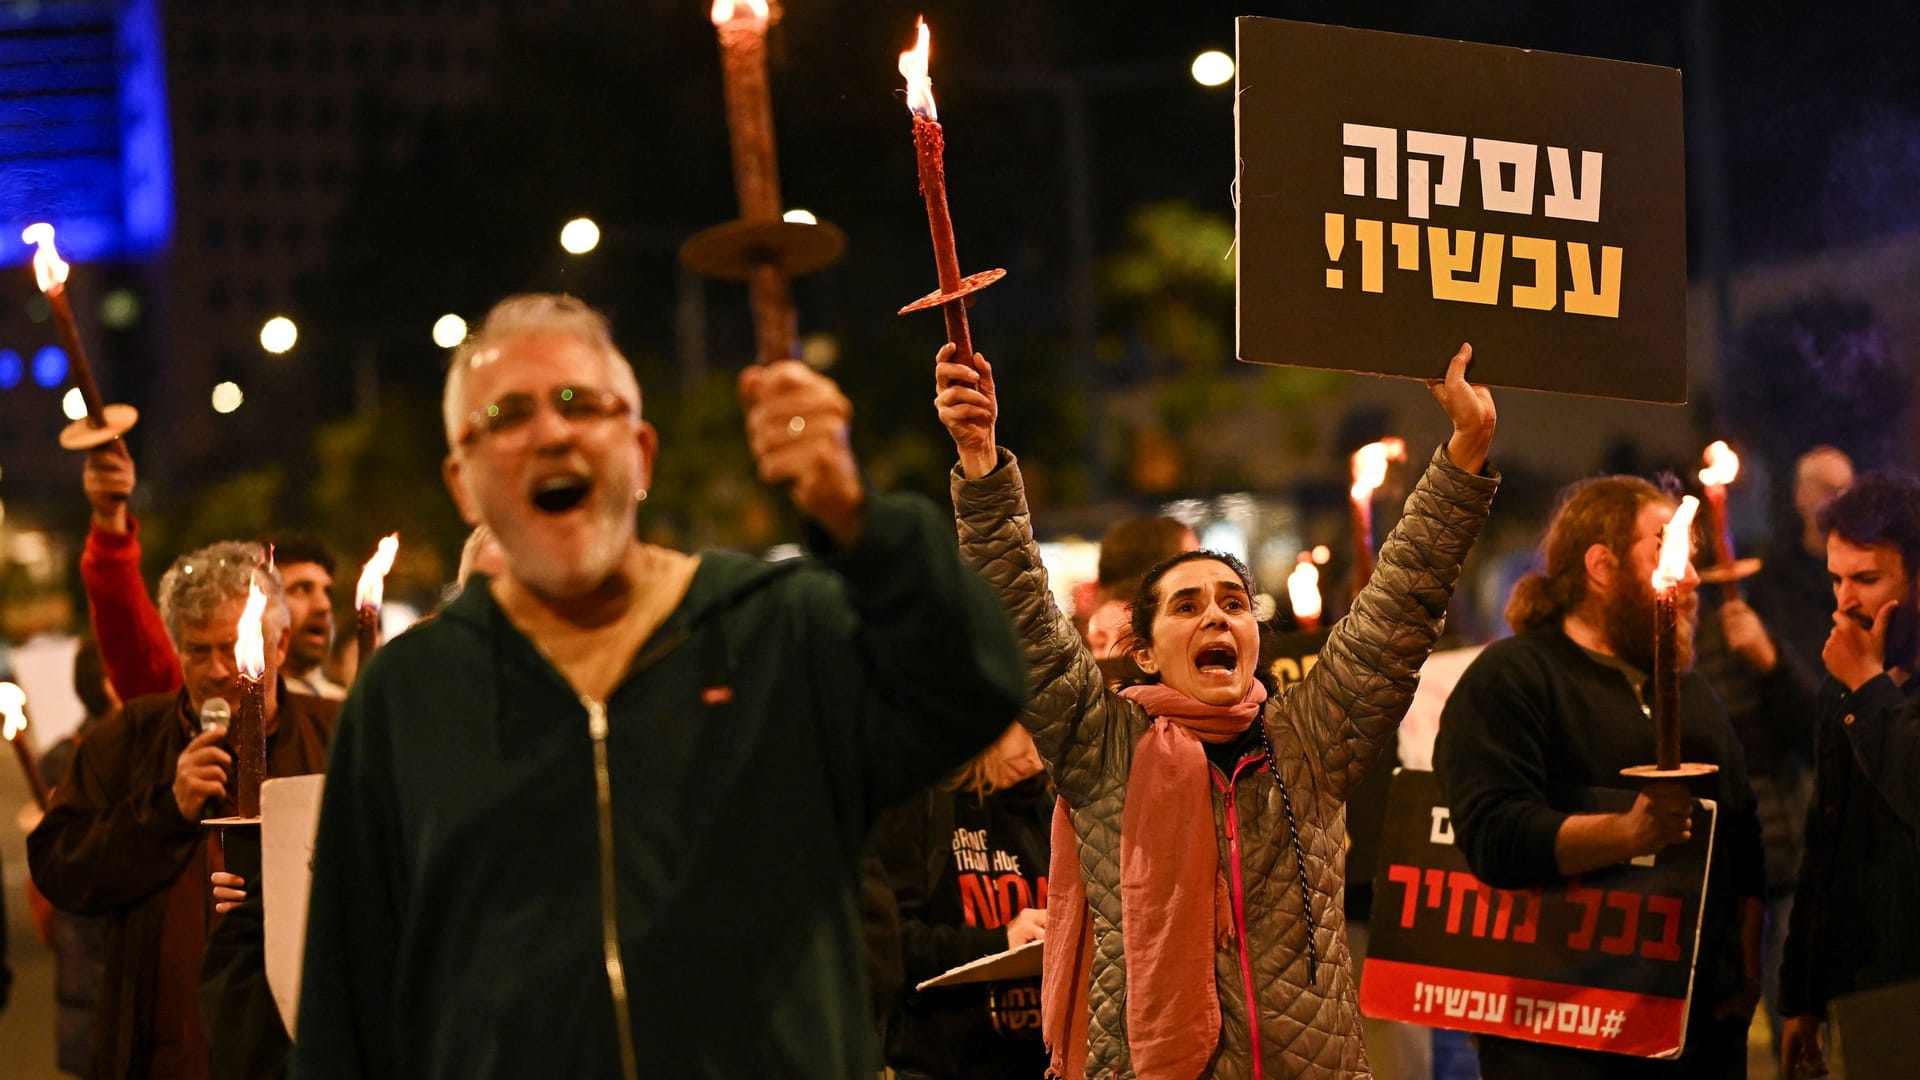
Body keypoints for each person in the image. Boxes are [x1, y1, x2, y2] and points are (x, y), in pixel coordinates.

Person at [290, 293, 1026, 1079]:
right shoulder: (408, 696)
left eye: (580, 404)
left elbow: (977, 681)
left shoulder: (773, 630)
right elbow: (348, 1010)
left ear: (639, 454)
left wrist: (851, 508)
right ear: (462, 482)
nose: (549, 431)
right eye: (505, 416)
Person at [940, 340, 1498, 1078]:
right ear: (1142, 651)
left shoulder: (1309, 737)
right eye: (1187, 605)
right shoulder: (1102, 746)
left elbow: (1400, 605)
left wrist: (1465, 452)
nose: (1216, 618)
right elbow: (1019, 613)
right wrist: (981, 461)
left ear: (1254, 637)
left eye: (1233, 603)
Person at [1434, 476, 1767, 1079]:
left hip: (1698, 1037)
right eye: (1664, 552)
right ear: (1602, 566)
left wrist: (1744, 977)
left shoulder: (1692, 693)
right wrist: (1629, 832)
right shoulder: (1513, 678)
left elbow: (1742, 837)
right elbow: (1495, 836)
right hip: (1561, 1045)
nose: (1689, 577)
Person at [29, 543, 335, 1080]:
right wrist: (167, 810)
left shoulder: (336, 733)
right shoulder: (128, 739)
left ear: (280, 644)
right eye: (196, 651)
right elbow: (60, 868)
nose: (218, 671)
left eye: (232, 648)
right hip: (164, 1054)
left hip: (301, 1049)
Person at [1779, 471, 1920, 1078]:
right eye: (1836, 579)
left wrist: (1867, 686)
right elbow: (1825, 844)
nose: (1845, 601)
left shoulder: (1859, 681)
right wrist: (1801, 998)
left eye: (1867, 580)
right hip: (1862, 985)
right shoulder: (1846, 683)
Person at [868, 722, 1052, 1079]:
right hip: (944, 1061)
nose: (1037, 759)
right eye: (1029, 732)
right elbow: (889, 942)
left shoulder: (1045, 807)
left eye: (1049, 738)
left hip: (1039, 1061)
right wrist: (1000, 942)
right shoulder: (921, 802)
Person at [262, 534, 346, 701]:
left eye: (327, 592)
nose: (324, 606)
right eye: (301, 589)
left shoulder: (343, 704)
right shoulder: (244, 706)